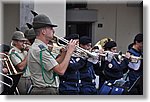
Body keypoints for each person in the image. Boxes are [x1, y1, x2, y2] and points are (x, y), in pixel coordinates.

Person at [27, 14, 76, 95]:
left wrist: (64, 53)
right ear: (43, 31)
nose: (53, 31)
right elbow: (60, 71)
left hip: (46, 90)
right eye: (50, 28)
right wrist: (69, 53)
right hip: (44, 91)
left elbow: (53, 64)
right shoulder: (40, 50)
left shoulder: (41, 47)